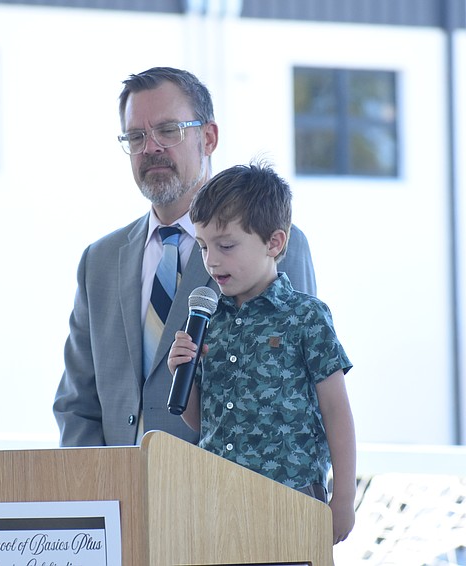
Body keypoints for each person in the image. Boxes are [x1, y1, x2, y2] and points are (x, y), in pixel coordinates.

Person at [53, 67, 317, 448]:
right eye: (136, 136)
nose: (151, 148)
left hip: (227, 497)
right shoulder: (100, 262)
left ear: (208, 138)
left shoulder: (270, 247)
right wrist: (92, 496)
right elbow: (77, 405)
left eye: (168, 130)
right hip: (120, 498)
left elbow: (299, 398)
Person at [166, 160, 356, 544]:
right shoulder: (208, 319)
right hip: (217, 504)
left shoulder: (305, 316)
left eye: (226, 245)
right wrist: (180, 374)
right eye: (203, 246)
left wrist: (344, 499)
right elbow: (204, 422)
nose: (211, 260)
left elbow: (337, 411)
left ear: (274, 242)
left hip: (292, 503)